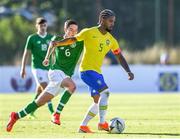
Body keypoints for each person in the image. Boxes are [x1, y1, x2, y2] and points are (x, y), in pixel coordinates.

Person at [45, 9, 134, 133]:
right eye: (110, 21)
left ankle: (83, 126)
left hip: (97, 72)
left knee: (98, 101)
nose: (112, 24)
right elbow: (73, 40)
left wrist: (128, 71)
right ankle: (102, 123)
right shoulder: (88, 32)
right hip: (86, 71)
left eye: (113, 21)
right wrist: (58, 43)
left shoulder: (111, 40)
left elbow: (119, 56)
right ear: (102, 20)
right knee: (106, 93)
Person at [6, 19, 84, 132]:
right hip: (55, 72)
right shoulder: (57, 39)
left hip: (65, 75)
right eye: (71, 29)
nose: (73, 32)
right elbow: (52, 45)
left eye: (76, 30)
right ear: (65, 29)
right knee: (72, 86)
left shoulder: (79, 41)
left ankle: (15, 116)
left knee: (39, 102)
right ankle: (56, 114)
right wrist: (47, 58)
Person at [20, 17, 54, 118]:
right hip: (37, 68)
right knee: (46, 88)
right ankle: (52, 112)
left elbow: (55, 53)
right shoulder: (32, 38)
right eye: (40, 25)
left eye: (44, 25)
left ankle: (31, 111)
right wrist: (23, 68)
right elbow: (26, 53)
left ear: (47, 25)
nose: (43, 27)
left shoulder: (51, 38)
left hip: (48, 68)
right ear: (37, 26)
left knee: (39, 91)